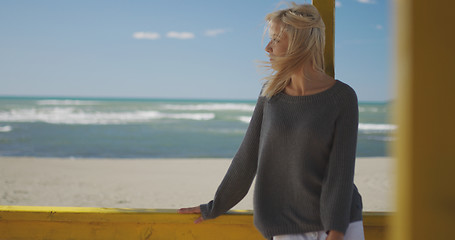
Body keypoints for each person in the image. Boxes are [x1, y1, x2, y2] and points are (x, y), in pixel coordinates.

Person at [179, 2, 364, 240]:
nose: (268, 48)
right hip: (285, 224)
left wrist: (336, 232)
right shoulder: (270, 94)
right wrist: (215, 207)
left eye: (276, 39)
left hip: (342, 221)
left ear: (299, 42)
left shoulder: (342, 97)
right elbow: (247, 157)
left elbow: (341, 171)